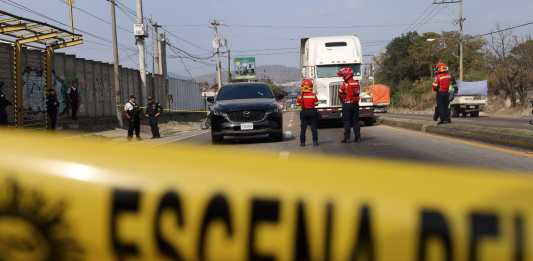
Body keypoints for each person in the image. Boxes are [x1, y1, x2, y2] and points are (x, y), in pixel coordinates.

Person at [337, 67, 361, 143]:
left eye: (343, 76)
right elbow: (357, 93)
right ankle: (358, 137)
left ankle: (347, 138)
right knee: (356, 122)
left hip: (347, 105)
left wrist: (343, 102)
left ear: (347, 75)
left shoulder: (344, 84)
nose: (343, 77)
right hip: (355, 104)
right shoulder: (357, 83)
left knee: (347, 122)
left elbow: (340, 94)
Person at [296, 79, 319, 147]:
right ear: (311, 86)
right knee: (314, 128)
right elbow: (317, 103)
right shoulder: (313, 95)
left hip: (304, 112)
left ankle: (302, 143)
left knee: (303, 128)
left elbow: (297, 104)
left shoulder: (300, 96)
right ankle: (315, 142)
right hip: (312, 112)